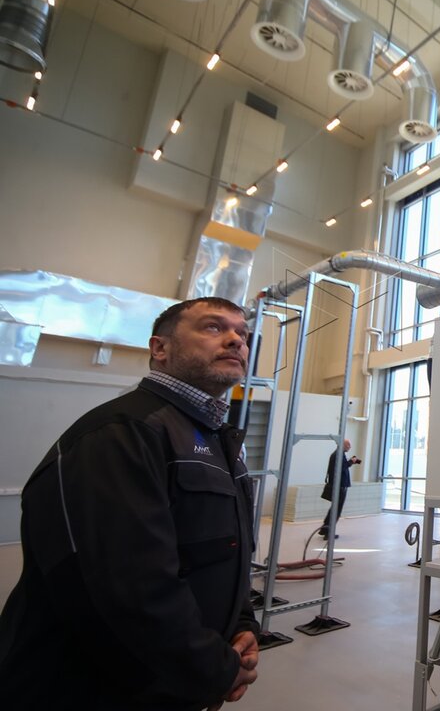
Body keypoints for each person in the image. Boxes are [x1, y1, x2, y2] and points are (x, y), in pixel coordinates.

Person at [0, 297, 260, 710]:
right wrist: (215, 668)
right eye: (214, 327)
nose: (236, 341)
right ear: (160, 348)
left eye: (242, 334)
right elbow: (129, 588)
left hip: (172, 681)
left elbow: (227, 550)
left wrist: (241, 624)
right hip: (89, 690)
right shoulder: (120, 433)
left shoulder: (216, 437)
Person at [319, 438, 361, 539]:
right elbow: (341, 467)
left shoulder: (338, 454)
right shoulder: (338, 455)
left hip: (339, 486)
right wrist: (351, 461)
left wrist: (350, 462)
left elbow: (341, 466)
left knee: (334, 509)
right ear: (342, 445)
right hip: (339, 487)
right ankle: (328, 532)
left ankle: (325, 529)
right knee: (336, 510)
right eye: (348, 445)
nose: (350, 447)